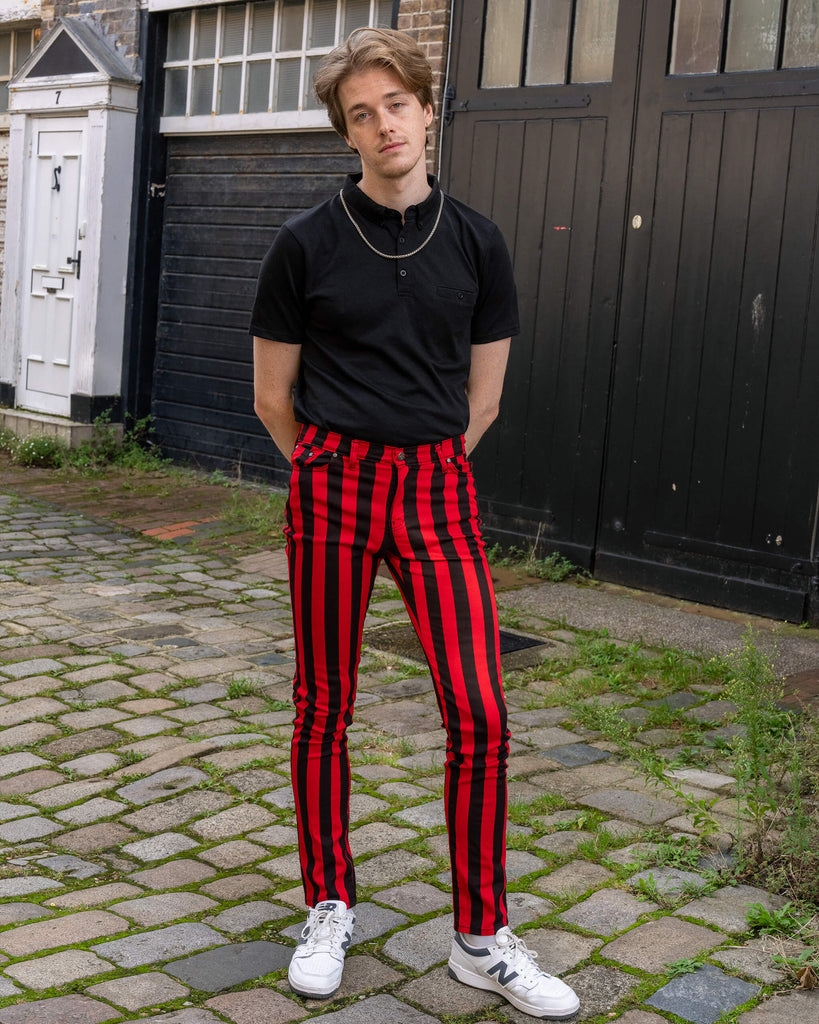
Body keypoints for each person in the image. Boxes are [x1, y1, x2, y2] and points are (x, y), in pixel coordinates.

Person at [250, 26, 580, 1020]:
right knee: (324, 703)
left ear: (429, 110)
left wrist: (420, 466)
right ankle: (328, 903)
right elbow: (275, 396)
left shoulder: (478, 241)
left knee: (479, 709)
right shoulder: (304, 242)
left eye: (396, 103)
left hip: (438, 486)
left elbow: (484, 399)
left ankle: (481, 935)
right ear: (346, 132)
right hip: (333, 484)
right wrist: (328, 466)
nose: (383, 123)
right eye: (362, 112)